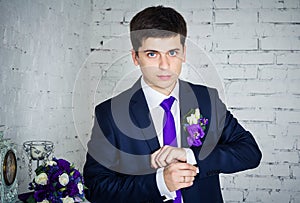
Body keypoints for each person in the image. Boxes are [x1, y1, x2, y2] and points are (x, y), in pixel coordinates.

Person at [83, 5, 262, 203]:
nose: (164, 65)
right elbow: (95, 188)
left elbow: (250, 152)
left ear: (184, 53)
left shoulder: (206, 99)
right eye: (152, 54)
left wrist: (190, 155)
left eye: (172, 52)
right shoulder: (109, 113)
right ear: (136, 57)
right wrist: (160, 183)